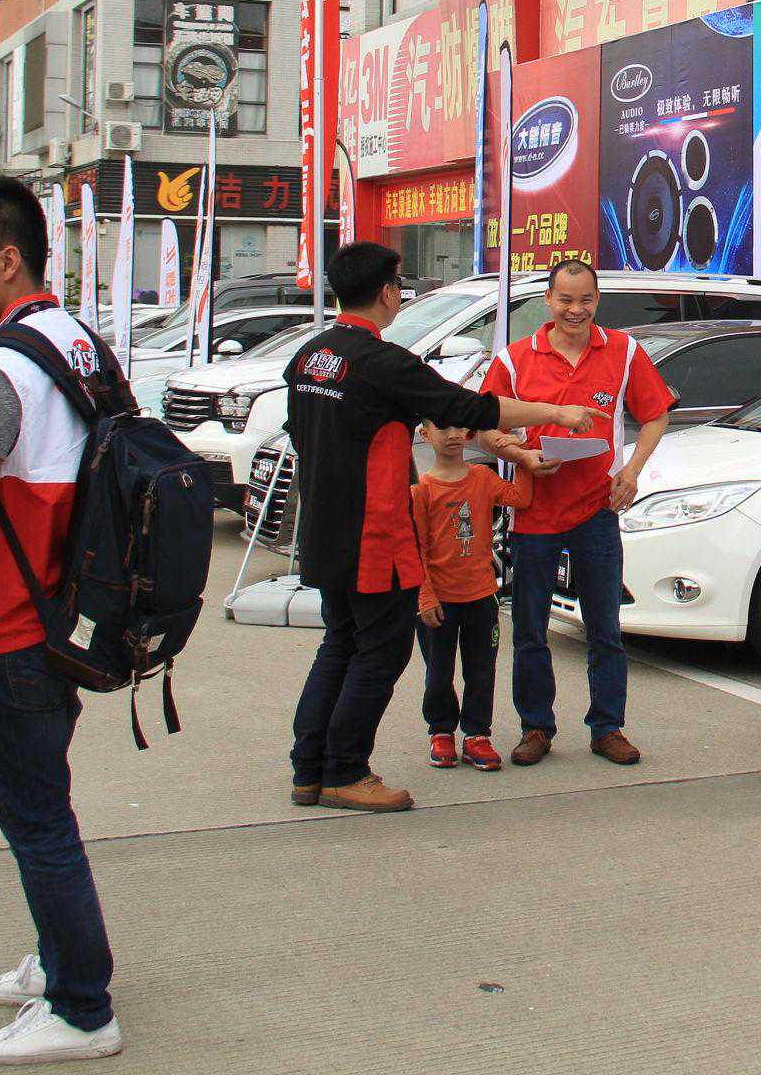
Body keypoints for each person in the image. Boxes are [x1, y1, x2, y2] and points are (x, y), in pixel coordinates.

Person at [283, 242, 596, 812]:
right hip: (374, 538)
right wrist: (555, 412)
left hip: (324, 533)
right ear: (387, 292)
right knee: (379, 654)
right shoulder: (382, 362)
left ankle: (309, 770)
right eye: (399, 285)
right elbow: (471, 408)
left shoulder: (310, 356)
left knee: (340, 645)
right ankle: (345, 769)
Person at [0, 176, 124, 1065]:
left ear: (7, 260)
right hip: (65, 619)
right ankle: (57, 960)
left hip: (4, 626)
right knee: (45, 807)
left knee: (38, 822)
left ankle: (82, 1009)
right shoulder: (80, 345)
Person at [478, 259, 674, 767]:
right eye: (565, 299)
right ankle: (535, 727)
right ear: (548, 300)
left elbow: (655, 415)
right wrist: (520, 456)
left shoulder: (624, 351)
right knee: (530, 628)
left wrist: (631, 471)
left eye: (585, 300)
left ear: (597, 300)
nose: (575, 310)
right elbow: (484, 424)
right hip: (533, 513)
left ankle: (607, 727)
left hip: (597, 509)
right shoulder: (515, 359)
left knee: (605, 627)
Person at [411, 422, 533, 772]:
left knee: (481, 670)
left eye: (459, 428)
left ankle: (477, 734)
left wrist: (521, 456)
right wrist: (425, 596)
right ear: (425, 434)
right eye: (441, 428)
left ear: (469, 434)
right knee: (439, 671)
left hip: (481, 596)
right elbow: (415, 549)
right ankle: (441, 731)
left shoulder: (482, 477)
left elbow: (521, 498)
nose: (452, 435)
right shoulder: (422, 490)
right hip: (438, 602)